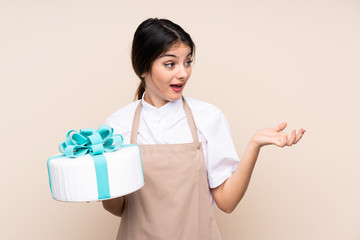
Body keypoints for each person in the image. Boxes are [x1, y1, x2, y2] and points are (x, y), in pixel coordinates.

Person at [102, 18, 305, 240]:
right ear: (142, 68)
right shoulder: (116, 126)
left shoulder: (208, 118)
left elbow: (227, 202)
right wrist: (101, 176)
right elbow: (117, 208)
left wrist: (254, 145)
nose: (183, 73)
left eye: (187, 62)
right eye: (170, 64)